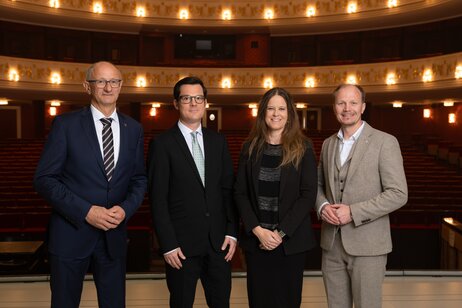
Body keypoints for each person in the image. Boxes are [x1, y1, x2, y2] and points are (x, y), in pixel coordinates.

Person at [34, 61, 147, 308]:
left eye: (114, 81)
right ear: (87, 86)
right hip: (71, 234)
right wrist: (87, 211)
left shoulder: (134, 128)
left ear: (121, 86)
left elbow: (139, 179)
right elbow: (44, 179)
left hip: (113, 236)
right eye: (101, 82)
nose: (108, 87)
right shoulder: (66, 125)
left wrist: (126, 209)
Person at [148, 76, 238, 308]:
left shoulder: (218, 141)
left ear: (205, 102)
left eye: (198, 98)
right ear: (176, 103)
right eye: (187, 98)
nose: (193, 103)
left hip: (218, 245)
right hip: (181, 248)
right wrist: (167, 244)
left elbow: (228, 190)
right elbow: (158, 199)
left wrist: (231, 232)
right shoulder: (162, 144)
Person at [316, 84, 408, 308]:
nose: (347, 108)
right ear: (334, 108)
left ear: (363, 107)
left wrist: (353, 212)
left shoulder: (385, 142)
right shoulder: (328, 144)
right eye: (341, 103)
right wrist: (322, 206)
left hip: (369, 246)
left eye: (353, 102)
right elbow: (317, 186)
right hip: (332, 244)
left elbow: (398, 194)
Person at [234, 87, 318, 308]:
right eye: (271, 108)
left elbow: (308, 195)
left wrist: (280, 234)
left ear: (289, 113)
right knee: (259, 301)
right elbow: (239, 193)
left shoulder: (303, 148)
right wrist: (258, 230)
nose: (276, 113)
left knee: (287, 301)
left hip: (290, 243)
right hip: (257, 242)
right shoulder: (249, 148)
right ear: (263, 113)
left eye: (281, 108)